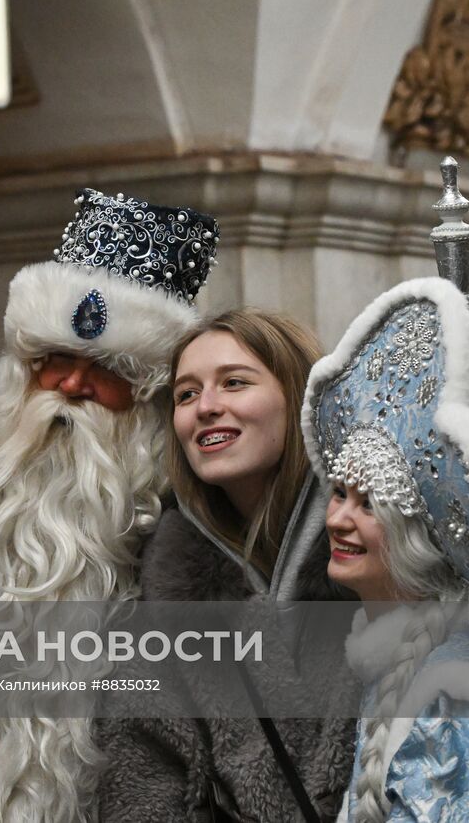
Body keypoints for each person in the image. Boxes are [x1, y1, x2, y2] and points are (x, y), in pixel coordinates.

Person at [0, 189, 220, 822]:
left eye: (104, 367)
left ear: (147, 394)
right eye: (56, 360)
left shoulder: (191, 535)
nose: (73, 386)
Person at [305, 276, 469, 821]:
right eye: (340, 494)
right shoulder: (397, 663)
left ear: (418, 539)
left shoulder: (449, 699)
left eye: (371, 506)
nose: (339, 519)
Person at [96, 308, 357, 822]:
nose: (206, 407)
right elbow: (140, 789)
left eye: (234, 382)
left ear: (303, 397)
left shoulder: (380, 551)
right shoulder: (164, 597)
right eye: (186, 394)